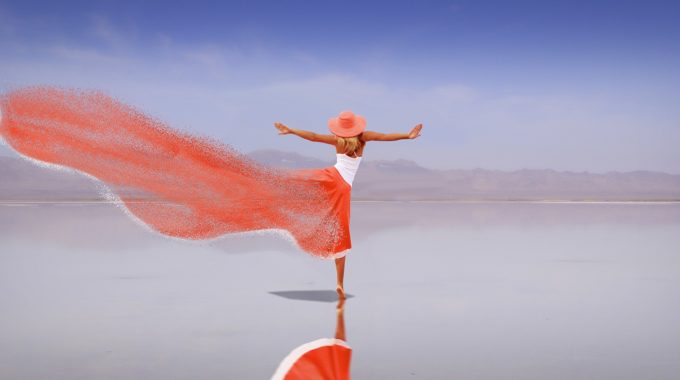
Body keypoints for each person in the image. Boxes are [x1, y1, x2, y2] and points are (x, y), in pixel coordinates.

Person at [274, 110, 423, 299]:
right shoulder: (363, 138)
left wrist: (292, 130)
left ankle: (270, 183)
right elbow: (385, 137)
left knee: (301, 179)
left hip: (330, 177)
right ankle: (339, 283)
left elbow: (313, 137)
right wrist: (407, 136)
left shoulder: (337, 140)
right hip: (343, 187)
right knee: (340, 234)